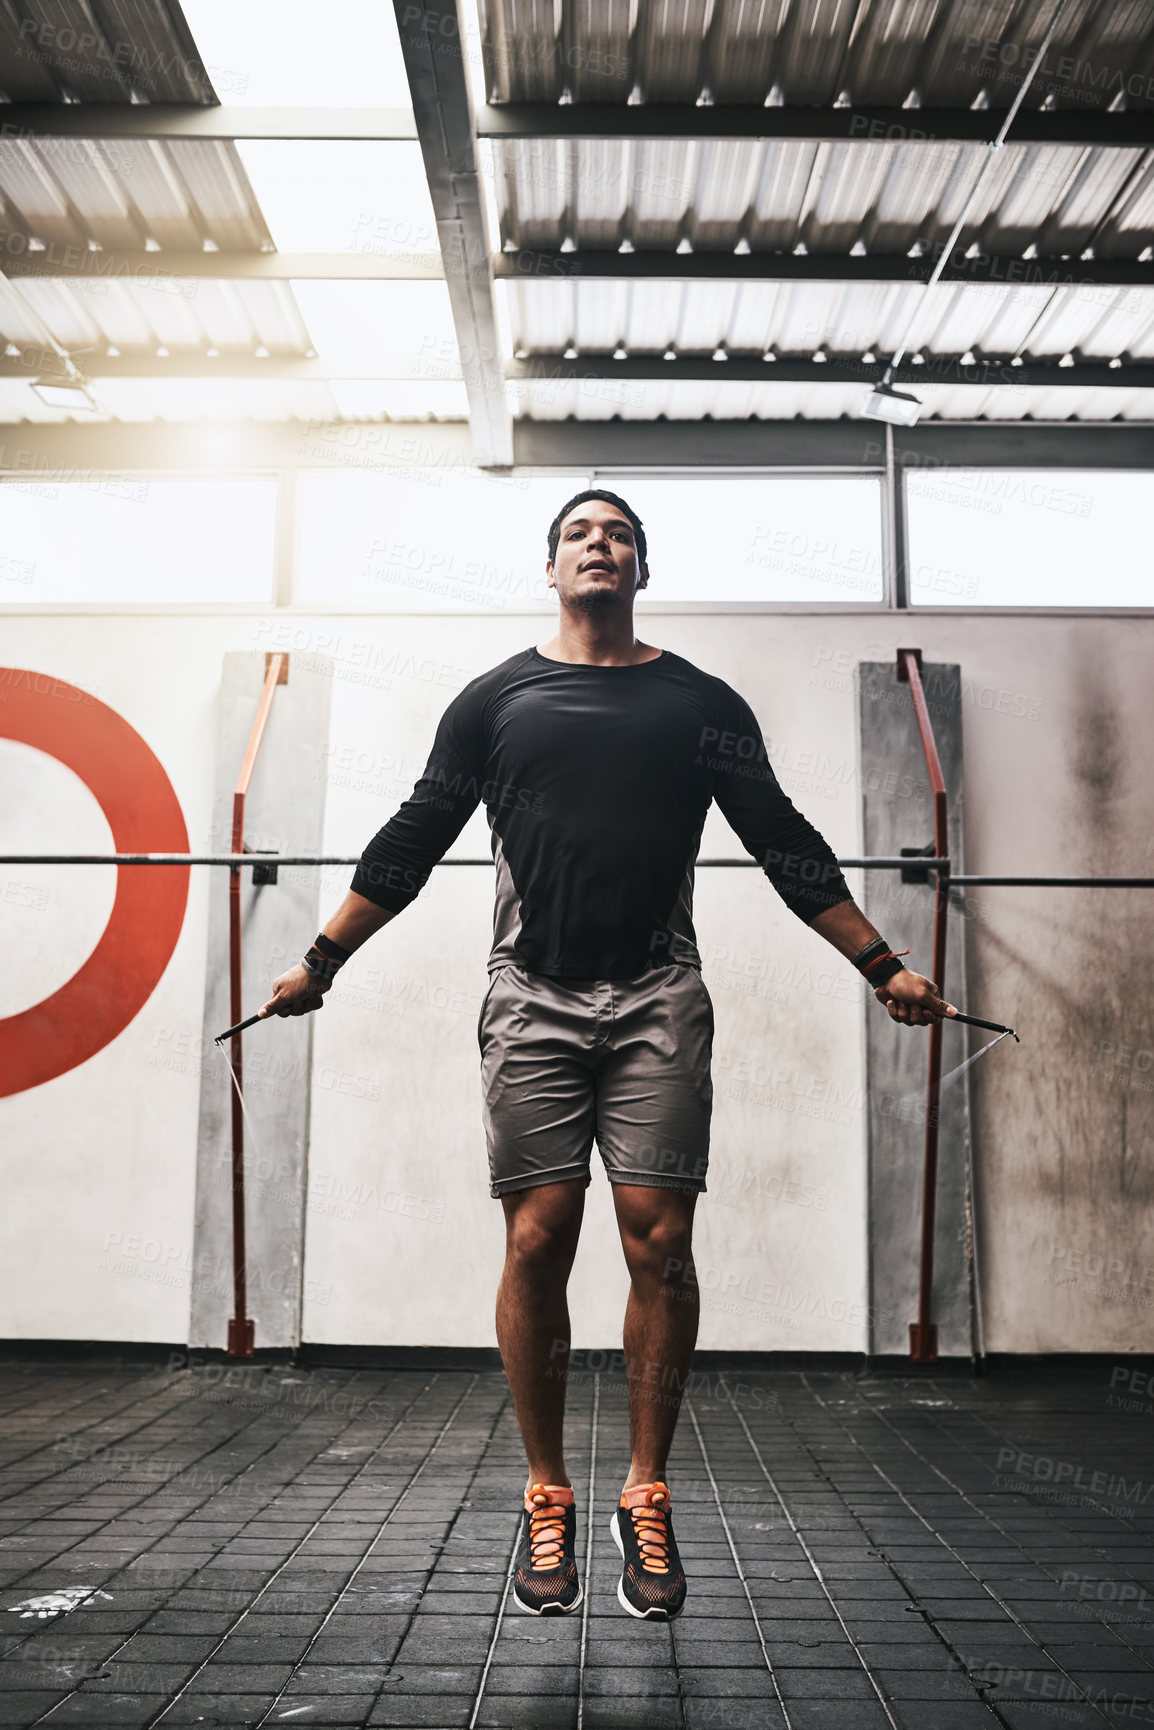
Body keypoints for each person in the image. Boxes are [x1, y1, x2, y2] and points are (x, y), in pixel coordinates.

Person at [260, 488, 955, 1621]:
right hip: (528, 995)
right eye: (579, 533)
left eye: (619, 534)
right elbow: (412, 835)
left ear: (641, 566)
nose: (600, 544)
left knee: (661, 1238)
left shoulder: (699, 703)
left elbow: (782, 839)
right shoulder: (493, 701)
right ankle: (545, 1492)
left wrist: (881, 964)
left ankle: (646, 1488)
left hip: (656, 995)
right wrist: (320, 959)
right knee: (537, 1232)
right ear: (550, 569)